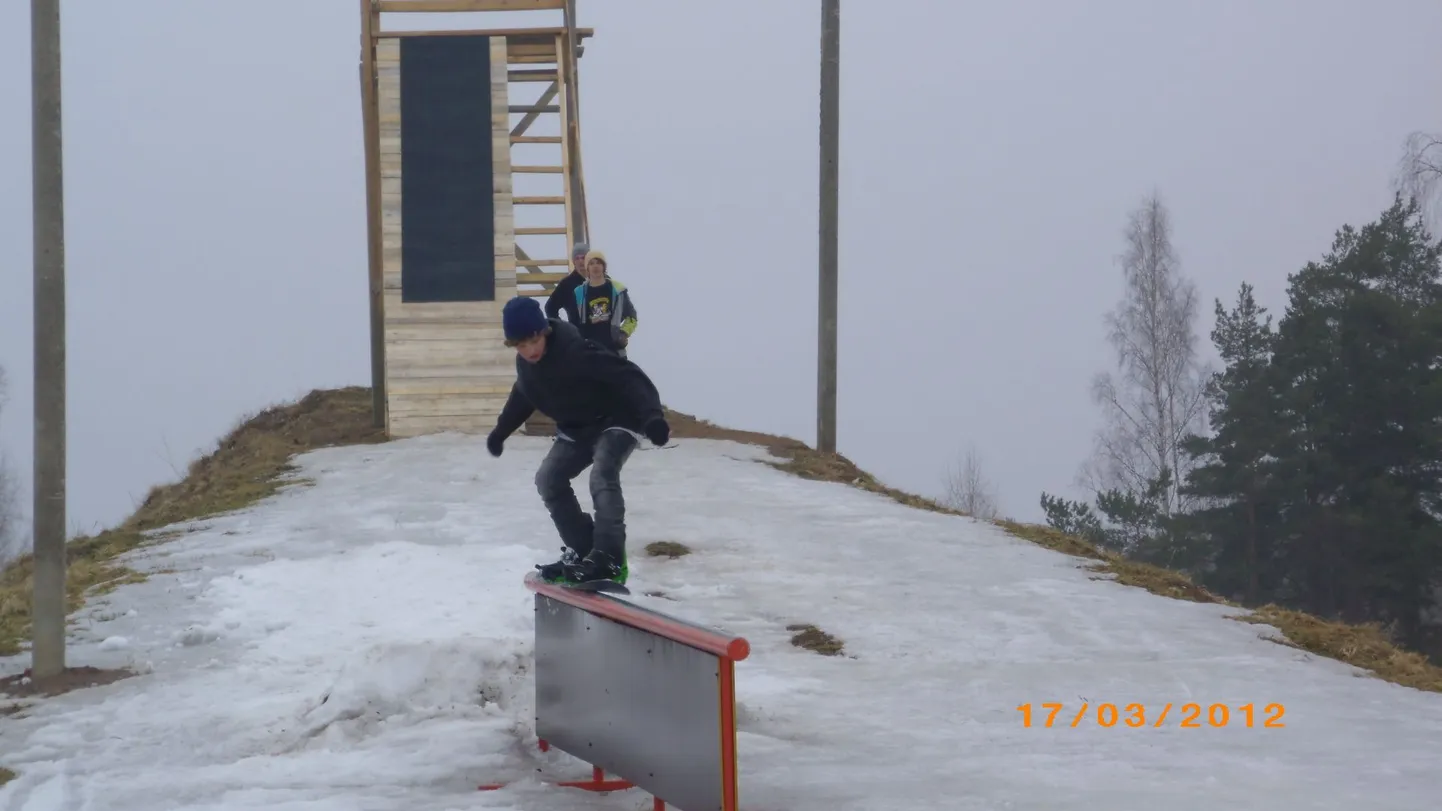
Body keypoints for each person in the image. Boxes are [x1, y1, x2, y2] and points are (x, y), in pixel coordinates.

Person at [486, 295, 671, 587]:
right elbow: (523, 395)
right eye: (521, 346)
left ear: (543, 332)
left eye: (533, 341)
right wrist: (500, 432)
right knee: (548, 479)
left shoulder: (577, 353)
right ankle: (586, 551)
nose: (530, 350)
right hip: (578, 428)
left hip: (617, 419)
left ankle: (610, 559)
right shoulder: (527, 367)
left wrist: (652, 417)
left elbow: (630, 376)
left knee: (603, 473)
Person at [572, 250, 638, 357]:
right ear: (587, 268)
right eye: (591, 263)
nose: (595, 266)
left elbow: (632, 317)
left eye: (598, 262)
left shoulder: (618, 290)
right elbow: (573, 322)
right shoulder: (579, 293)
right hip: (589, 352)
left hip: (614, 350)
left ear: (604, 266)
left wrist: (623, 333)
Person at [544, 241, 590, 325]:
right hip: (578, 334)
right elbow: (550, 308)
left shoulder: (602, 279)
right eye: (577, 258)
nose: (580, 261)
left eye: (583, 258)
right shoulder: (567, 284)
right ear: (573, 261)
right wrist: (562, 329)